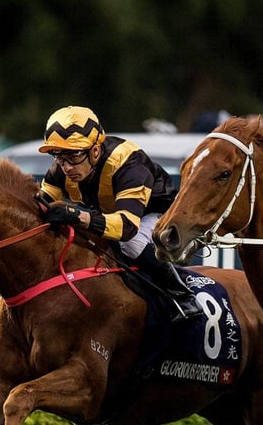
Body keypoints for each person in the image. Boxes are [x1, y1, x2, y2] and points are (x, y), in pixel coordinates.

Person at [36, 105, 203, 321]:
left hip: (157, 212)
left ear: (95, 151)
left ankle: (181, 294)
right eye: (58, 156)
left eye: (74, 155)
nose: (66, 167)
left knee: (130, 244)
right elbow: (41, 204)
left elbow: (126, 227)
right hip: (112, 214)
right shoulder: (61, 169)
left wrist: (77, 216)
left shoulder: (128, 164)